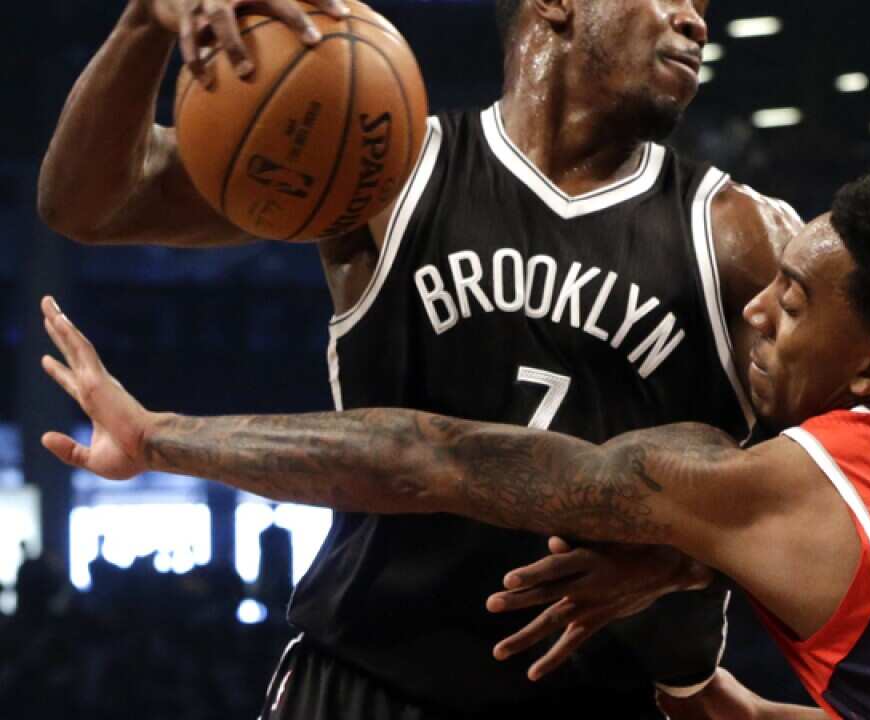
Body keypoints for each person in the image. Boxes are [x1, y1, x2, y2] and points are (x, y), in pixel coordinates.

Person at [40, 174, 870, 718]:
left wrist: (161, 439)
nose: (757, 309)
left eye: (793, 296)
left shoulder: (796, 481)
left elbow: (430, 456)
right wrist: (717, 687)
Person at [37, 0, 801, 716]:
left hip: (594, 692)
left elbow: (856, 478)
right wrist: (143, 23)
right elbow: (91, 203)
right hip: (367, 676)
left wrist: (684, 561)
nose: (693, 21)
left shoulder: (743, 238)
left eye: (704, 6)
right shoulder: (384, 169)